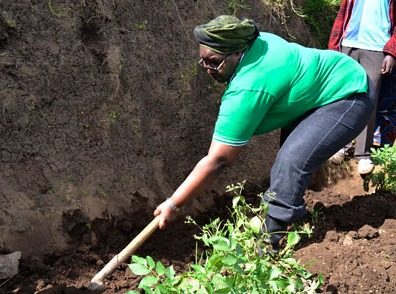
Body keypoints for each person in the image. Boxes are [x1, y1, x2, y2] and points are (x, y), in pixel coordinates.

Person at [154, 15, 375, 252]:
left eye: (214, 62)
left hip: (348, 92)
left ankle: (267, 243)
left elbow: (218, 160)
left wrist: (174, 204)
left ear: (238, 53)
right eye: (203, 62)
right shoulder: (255, 44)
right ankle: (294, 215)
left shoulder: (250, 85)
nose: (208, 70)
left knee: (292, 160)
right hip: (317, 94)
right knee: (291, 161)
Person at [328, 0, 396, 174]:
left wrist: (391, 52)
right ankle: (341, 146)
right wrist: (335, 46)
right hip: (348, 45)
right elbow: (342, 15)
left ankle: (363, 154)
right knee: (343, 98)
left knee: (368, 101)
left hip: (376, 48)